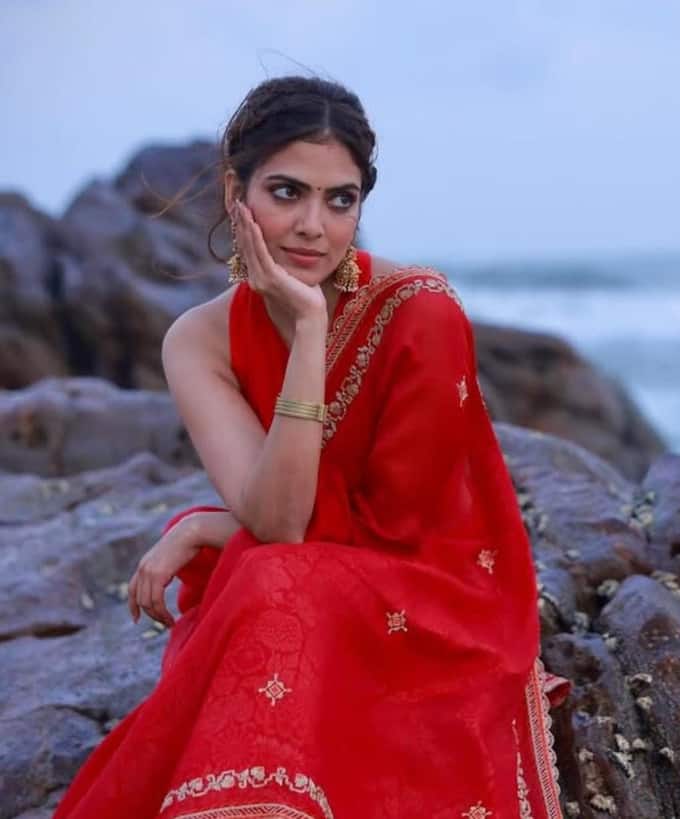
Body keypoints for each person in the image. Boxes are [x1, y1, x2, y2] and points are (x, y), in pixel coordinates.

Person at [55, 75, 567, 819]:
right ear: (236, 191)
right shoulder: (198, 340)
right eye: (287, 192)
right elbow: (281, 522)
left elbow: (387, 538)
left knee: (270, 582)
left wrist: (204, 526)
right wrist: (304, 334)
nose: (313, 227)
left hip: (433, 590)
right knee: (271, 581)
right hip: (303, 568)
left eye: (340, 200)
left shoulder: (421, 313)